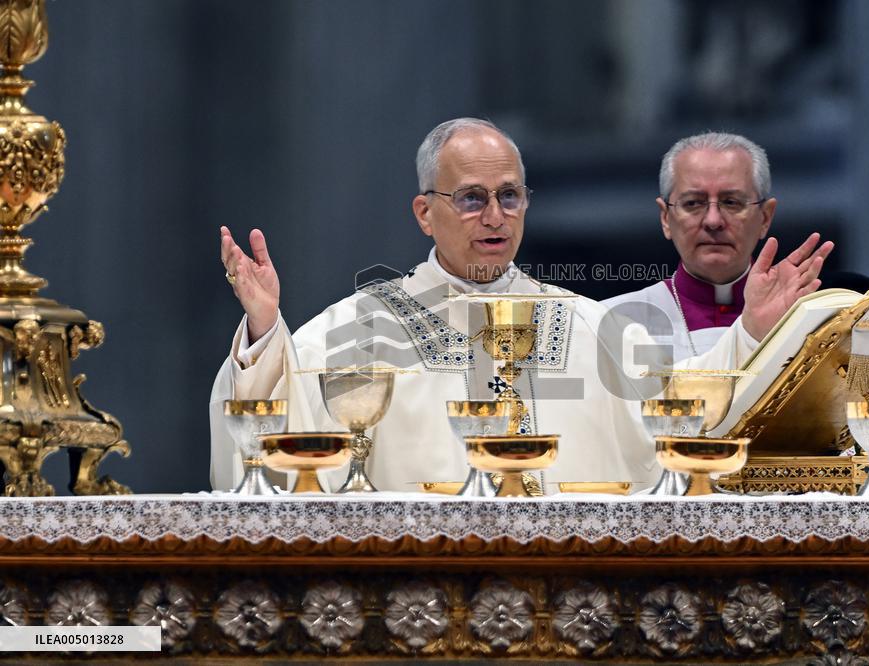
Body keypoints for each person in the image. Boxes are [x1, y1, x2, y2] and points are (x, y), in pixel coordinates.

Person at [209, 119, 829, 493]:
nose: (496, 217)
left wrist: (749, 332)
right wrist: (265, 331)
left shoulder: (591, 326)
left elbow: (686, 411)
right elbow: (273, 433)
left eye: (510, 196)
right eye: (473, 198)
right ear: (425, 212)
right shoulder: (363, 326)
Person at [603, 132, 834, 362]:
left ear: (765, 217)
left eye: (731, 202)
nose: (713, 221)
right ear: (666, 218)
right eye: (693, 203)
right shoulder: (613, 324)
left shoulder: (815, 326)